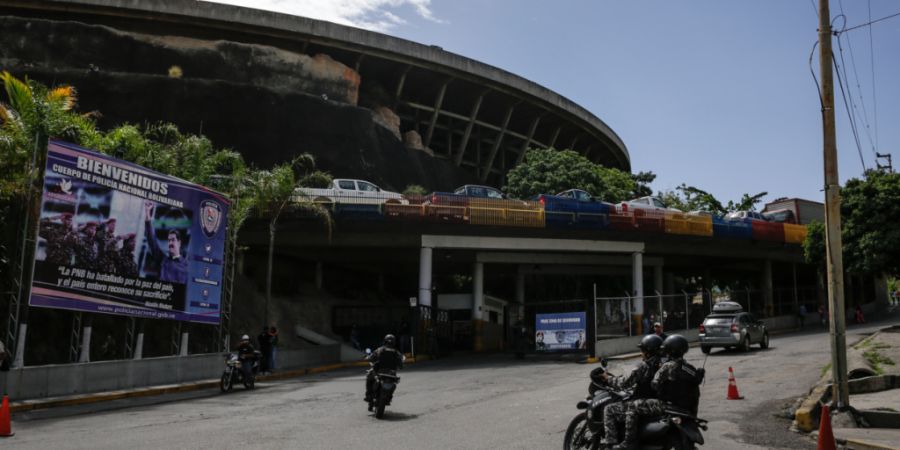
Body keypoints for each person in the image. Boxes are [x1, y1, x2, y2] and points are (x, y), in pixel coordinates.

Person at [599, 334, 664, 449]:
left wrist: (608, 378)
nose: (641, 353)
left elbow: (624, 383)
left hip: (646, 402)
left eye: (642, 350)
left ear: (648, 352)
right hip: (659, 403)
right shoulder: (663, 364)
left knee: (609, 409)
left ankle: (611, 444)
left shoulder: (644, 366)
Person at [653, 335, 704, 416]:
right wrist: (700, 373)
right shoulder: (689, 367)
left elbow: (654, 384)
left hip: (671, 407)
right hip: (690, 410)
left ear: (669, 351)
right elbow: (697, 380)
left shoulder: (666, 366)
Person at [143, 202, 188, 284]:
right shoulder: (163, 260)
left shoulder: (187, 265)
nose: (170, 243)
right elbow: (151, 239)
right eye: (169, 240)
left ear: (179, 243)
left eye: (173, 240)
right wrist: (147, 212)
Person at [365, 334, 404, 407]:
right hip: (391, 374)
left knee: (369, 377)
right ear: (394, 342)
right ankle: (388, 398)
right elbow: (401, 365)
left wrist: (368, 358)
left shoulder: (379, 349)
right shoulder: (396, 352)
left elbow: (371, 358)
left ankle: (368, 396)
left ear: (385, 341)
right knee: (394, 383)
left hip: (379, 372)